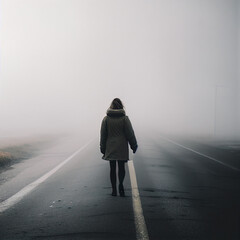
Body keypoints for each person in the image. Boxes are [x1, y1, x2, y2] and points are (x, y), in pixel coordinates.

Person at [100, 98, 138, 197]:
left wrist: (102, 148)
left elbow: (103, 135)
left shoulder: (106, 119)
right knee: (121, 167)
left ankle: (114, 190)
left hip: (110, 146)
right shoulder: (125, 119)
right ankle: (121, 184)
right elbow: (130, 134)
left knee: (112, 169)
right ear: (121, 106)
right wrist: (134, 145)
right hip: (122, 147)